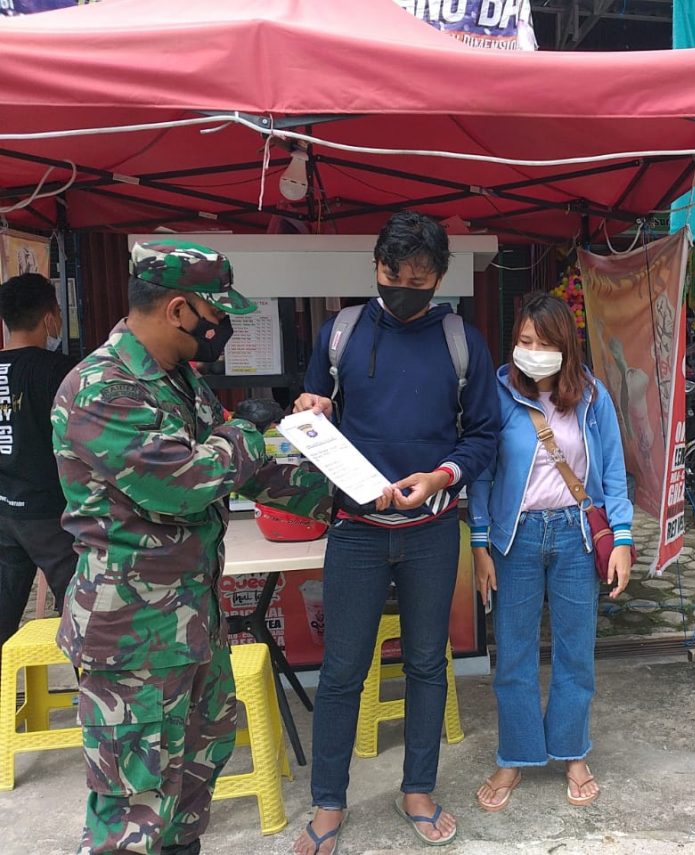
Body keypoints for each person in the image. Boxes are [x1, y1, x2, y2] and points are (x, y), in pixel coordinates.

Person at [52, 240, 334, 855]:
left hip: (189, 626)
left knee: (188, 793)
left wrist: (344, 497)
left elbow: (243, 470)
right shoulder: (102, 387)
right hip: (130, 637)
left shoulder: (179, 381)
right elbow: (185, 483)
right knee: (133, 814)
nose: (222, 327)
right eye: (216, 312)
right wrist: (248, 429)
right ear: (179, 309)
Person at [293, 211, 499, 852]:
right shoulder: (341, 332)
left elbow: (484, 436)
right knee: (342, 671)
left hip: (433, 530)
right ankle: (329, 802)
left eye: (419, 278)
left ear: (439, 276)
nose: (404, 288)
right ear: (376, 267)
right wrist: (312, 409)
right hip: (354, 530)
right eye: (393, 274)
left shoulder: (463, 341)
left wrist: (441, 477)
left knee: (425, 665)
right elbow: (309, 422)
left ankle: (418, 788)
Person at [469, 292, 633, 813]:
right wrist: (479, 543)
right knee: (512, 654)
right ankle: (514, 756)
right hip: (513, 540)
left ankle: (572, 751)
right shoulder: (495, 395)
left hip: (574, 536)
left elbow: (612, 471)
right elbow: (482, 472)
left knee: (575, 651)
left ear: (566, 345)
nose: (531, 351)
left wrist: (623, 539)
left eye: (542, 343)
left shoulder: (591, 396)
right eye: (523, 341)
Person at [0, 273, 77, 661]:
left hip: (4, 511)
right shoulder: (59, 370)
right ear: (49, 318)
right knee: (83, 615)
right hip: (51, 515)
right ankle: (97, 706)